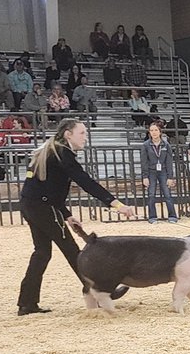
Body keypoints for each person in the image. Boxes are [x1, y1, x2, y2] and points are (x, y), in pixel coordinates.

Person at [16, 119, 135, 315]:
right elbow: (85, 182)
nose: (85, 137)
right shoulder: (62, 154)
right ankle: (103, 291)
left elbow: (48, 188)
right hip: (43, 208)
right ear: (68, 134)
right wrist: (116, 204)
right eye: (82, 133)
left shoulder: (54, 151)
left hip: (33, 206)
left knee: (42, 253)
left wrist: (66, 215)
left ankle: (26, 302)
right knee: (74, 252)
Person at [141, 120, 178, 223]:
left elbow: (169, 161)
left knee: (167, 193)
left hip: (163, 171)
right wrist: (145, 176)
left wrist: (170, 177)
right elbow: (144, 162)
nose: (154, 132)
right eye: (151, 130)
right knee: (151, 194)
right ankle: (152, 217)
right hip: (151, 171)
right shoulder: (145, 145)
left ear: (160, 131)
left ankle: (172, 216)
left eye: (156, 130)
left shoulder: (166, 145)